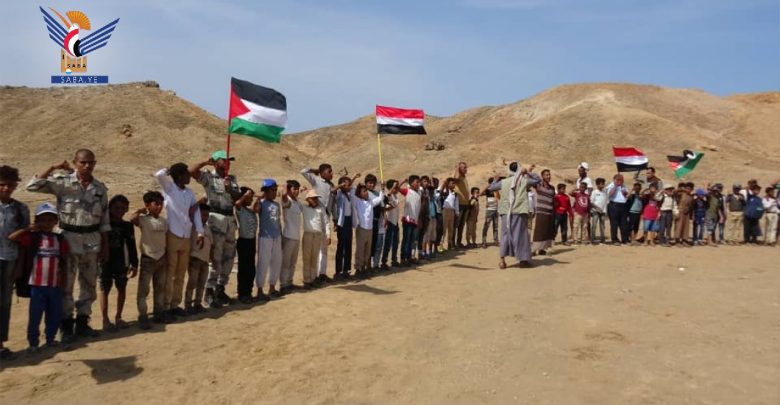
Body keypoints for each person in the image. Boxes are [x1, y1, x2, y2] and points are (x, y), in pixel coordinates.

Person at [26, 149, 109, 341]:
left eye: (90, 162)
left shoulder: (100, 189)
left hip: (92, 241)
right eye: (83, 162)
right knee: (66, 284)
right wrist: (53, 167)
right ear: (75, 162)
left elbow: (104, 220)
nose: (87, 166)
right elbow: (32, 186)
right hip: (68, 240)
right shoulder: (63, 183)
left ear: (95, 163)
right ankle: (66, 324)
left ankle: (83, 321)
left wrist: (105, 246)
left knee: (89, 284)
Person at [10, 203, 68, 353]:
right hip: (37, 285)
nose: (47, 223)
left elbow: (64, 260)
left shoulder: (59, 239)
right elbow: (12, 237)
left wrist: (64, 280)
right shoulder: (32, 238)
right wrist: (27, 229)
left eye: (50, 220)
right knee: (35, 315)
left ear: (56, 221)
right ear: (37, 221)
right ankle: (33, 342)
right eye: (43, 220)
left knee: (54, 313)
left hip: (54, 284)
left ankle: (50, 339)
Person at [190, 151, 242, 307]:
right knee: (216, 257)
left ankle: (220, 288)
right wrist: (205, 162)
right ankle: (209, 291)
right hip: (216, 218)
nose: (228, 163)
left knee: (229, 257)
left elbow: (237, 197)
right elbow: (191, 172)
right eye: (224, 160)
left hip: (230, 220)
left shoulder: (231, 179)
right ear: (216, 161)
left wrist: (229, 188)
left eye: (229, 160)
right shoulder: (209, 177)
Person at [155, 164, 204, 322]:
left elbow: (195, 211)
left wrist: (200, 231)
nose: (190, 177)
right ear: (179, 176)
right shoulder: (170, 188)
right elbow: (158, 175)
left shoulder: (189, 192)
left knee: (181, 273)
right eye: (187, 174)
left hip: (186, 235)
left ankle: (175, 304)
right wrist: (169, 170)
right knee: (170, 273)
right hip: (173, 234)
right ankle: (166, 306)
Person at [0, 165, 29, 359]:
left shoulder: (20, 209)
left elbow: (24, 241)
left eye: (10, 185)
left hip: (10, 260)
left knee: (4, 302)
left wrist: (20, 266)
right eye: (2, 184)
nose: (6, 188)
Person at [489, 161, 540, 269]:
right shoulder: (523, 180)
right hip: (519, 211)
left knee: (505, 235)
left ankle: (502, 261)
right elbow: (537, 180)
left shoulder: (504, 182)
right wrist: (527, 172)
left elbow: (491, 188)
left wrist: (495, 180)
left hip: (505, 211)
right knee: (521, 236)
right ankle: (523, 260)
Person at [99, 195, 138, 332]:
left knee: (121, 288)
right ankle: (105, 319)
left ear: (126, 209)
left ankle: (118, 317)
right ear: (110, 208)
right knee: (105, 289)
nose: (120, 211)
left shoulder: (127, 226)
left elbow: (132, 245)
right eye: (116, 208)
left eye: (123, 208)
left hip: (121, 261)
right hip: (105, 261)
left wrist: (134, 263)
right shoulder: (103, 225)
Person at [130, 191, 168, 329]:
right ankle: (143, 316)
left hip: (161, 257)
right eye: (156, 204)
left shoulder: (163, 221)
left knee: (160, 288)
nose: (159, 206)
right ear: (148, 205)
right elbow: (132, 218)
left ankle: (159, 313)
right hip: (148, 258)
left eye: (161, 204)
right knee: (143, 290)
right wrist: (141, 210)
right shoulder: (143, 220)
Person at [300, 164, 335, 283]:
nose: (332, 173)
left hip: (326, 216)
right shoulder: (316, 180)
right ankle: (311, 277)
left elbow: (332, 203)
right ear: (322, 172)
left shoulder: (332, 185)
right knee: (315, 250)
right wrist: (314, 170)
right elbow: (303, 171)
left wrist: (334, 218)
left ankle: (322, 274)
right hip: (315, 216)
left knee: (324, 249)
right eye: (329, 171)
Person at [255, 179, 283, 299]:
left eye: (275, 190)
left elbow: (278, 221)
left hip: (276, 236)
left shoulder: (277, 204)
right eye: (272, 190)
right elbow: (255, 210)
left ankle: (272, 287)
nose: (275, 192)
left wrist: (280, 234)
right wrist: (259, 198)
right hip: (265, 237)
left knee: (276, 262)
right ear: (266, 191)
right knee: (263, 262)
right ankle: (260, 289)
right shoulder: (261, 203)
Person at [351, 184, 386, 277]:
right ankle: (358, 269)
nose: (367, 193)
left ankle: (364, 268)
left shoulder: (370, 202)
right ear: (359, 194)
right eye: (364, 191)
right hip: (362, 229)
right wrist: (356, 184)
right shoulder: (357, 201)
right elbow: (352, 192)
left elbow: (380, 199)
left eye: (366, 191)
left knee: (367, 250)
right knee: (360, 250)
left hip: (370, 229)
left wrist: (382, 190)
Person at [300, 190, 332, 289]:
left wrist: (328, 235)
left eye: (316, 198)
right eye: (313, 198)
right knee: (307, 258)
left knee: (314, 258)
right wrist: (303, 193)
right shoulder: (304, 208)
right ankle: (307, 280)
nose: (315, 200)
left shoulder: (320, 209)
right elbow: (297, 202)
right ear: (308, 199)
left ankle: (313, 279)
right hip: (308, 234)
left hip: (318, 235)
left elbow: (326, 222)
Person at [185, 204, 212, 313]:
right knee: (192, 282)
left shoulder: (208, 229)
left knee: (202, 283)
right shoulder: (193, 227)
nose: (205, 217)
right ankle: (188, 304)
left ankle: (198, 303)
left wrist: (211, 258)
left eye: (207, 215)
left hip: (205, 260)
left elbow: (211, 244)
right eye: (203, 215)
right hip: (194, 258)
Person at [333, 173, 360, 279]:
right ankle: (338, 271)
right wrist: (341, 185)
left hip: (349, 221)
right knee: (341, 246)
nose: (348, 186)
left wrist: (353, 179)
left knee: (348, 245)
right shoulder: (339, 194)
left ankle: (346, 270)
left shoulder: (350, 193)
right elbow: (333, 190)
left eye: (349, 185)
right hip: (342, 222)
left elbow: (352, 187)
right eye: (346, 185)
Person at [234, 187, 257, 305]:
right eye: (249, 197)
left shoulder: (249, 211)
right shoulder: (240, 209)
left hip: (252, 241)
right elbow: (237, 203)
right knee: (244, 269)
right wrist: (244, 195)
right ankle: (242, 294)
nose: (251, 199)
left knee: (251, 269)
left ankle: (248, 292)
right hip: (243, 241)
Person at [280, 180, 302, 295]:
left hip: (296, 236)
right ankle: (283, 285)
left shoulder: (297, 202)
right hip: (288, 235)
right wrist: (285, 189)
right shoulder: (287, 200)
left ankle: (289, 282)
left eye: (298, 189)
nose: (297, 191)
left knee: (293, 262)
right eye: (294, 189)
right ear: (289, 190)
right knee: (286, 262)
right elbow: (283, 197)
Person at [532, 169, 556, 255]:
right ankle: (534, 250)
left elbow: (553, 200)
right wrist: (531, 172)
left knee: (547, 231)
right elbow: (531, 177)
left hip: (550, 212)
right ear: (542, 176)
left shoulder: (552, 188)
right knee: (539, 231)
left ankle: (542, 249)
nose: (548, 176)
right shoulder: (538, 185)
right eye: (546, 175)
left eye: (549, 174)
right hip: (541, 212)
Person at [399, 175, 422, 266]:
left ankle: (409, 258)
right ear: (411, 183)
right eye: (417, 182)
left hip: (415, 220)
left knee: (412, 240)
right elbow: (397, 188)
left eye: (419, 182)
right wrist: (403, 181)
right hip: (408, 219)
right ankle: (403, 258)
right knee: (406, 240)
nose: (418, 184)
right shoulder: (408, 191)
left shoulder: (419, 192)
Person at [381, 180, 401, 269]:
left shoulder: (395, 196)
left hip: (395, 222)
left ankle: (394, 260)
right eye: (395, 188)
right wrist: (393, 187)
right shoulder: (387, 196)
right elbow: (388, 196)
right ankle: (384, 262)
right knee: (388, 243)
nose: (396, 189)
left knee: (396, 242)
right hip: (390, 222)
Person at [606, 174, 630, 245]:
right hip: (614, 205)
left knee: (624, 223)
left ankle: (625, 239)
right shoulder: (611, 185)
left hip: (623, 205)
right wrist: (615, 186)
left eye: (622, 179)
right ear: (615, 180)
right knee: (614, 223)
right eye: (619, 179)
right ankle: (615, 239)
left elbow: (626, 195)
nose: (621, 181)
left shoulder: (623, 186)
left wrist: (625, 193)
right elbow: (610, 194)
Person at [453, 162, 471, 248]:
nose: (466, 169)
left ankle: (458, 242)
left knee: (461, 225)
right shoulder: (458, 177)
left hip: (465, 204)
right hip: (459, 204)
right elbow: (455, 178)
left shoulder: (464, 177)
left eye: (466, 167)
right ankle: (452, 243)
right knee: (456, 224)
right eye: (464, 168)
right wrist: (457, 169)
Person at [441, 178, 459, 250]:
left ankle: (449, 244)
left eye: (454, 183)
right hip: (445, 210)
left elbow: (456, 204)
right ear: (448, 184)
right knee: (444, 228)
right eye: (452, 183)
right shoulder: (444, 191)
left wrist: (457, 213)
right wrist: (444, 185)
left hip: (452, 211)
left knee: (451, 229)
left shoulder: (455, 194)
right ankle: (441, 245)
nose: (454, 185)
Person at [481, 177, 500, 248]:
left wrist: (496, 191)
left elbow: (499, 198)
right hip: (489, 210)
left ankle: (496, 241)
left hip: (495, 210)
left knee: (496, 226)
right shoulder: (488, 190)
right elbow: (481, 193)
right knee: (486, 226)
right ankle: (484, 241)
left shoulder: (496, 190)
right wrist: (488, 186)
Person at [589, 178, 608, 244]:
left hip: (603, 211)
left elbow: (606, 202)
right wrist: (597, 208)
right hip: (595, 211)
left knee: (602, 226)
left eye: (603, 184)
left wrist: (605, 211)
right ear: (597, 184)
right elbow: (591, 202)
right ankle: (592, 239)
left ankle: (602, 239)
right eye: (601, 184)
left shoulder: (605, 192)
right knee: (594, 225)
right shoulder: (594, 192)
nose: (603, 185)